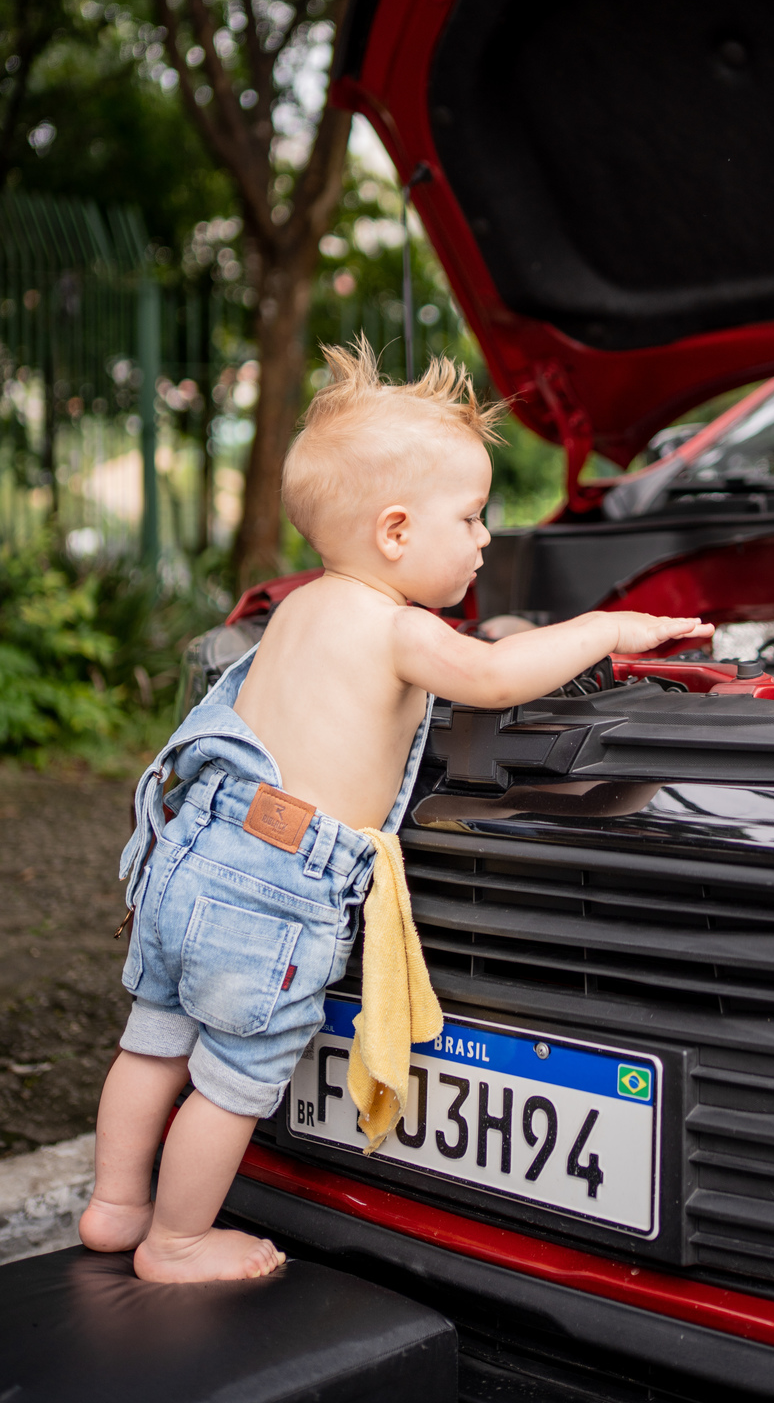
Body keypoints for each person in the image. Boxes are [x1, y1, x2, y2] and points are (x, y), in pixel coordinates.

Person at [79, 343, 712, 1283]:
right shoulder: (400, 628)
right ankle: (174, 1241)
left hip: (196, 849)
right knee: (234, 1080)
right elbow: (494, 677)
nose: (487, 537)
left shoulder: (296, 613)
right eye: (472, 517)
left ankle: (112, 1206)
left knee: (153, 1044)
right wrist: (608, 631)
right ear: (396, 532)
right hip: (275, 894)